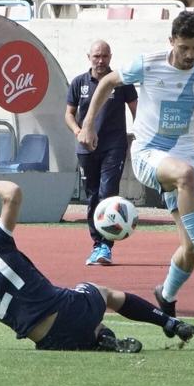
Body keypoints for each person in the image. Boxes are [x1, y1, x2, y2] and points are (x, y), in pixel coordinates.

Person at [76, 10, 194, 319]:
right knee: (186, 176)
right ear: (172, 41)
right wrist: (88, 125)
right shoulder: (148, 63)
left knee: (188, 246)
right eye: (184, 48)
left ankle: (166, 295)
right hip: (148, 153)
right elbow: (108, 82)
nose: (190, 54)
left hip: (184, 153)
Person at [0, 177, 194, 353]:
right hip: (68, 310)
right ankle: (169, 323)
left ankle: (102, 340)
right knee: (103, 292)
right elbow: (14, 194)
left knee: (84, 329)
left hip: (47, 341)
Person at [65, 40, 138, 267]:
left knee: (108, 193)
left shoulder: (121, 81)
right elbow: (69, 114)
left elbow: (137, 110)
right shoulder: (79, 83)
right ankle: (96, 243)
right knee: (93, 196)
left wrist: (141, 137)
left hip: (113, 145)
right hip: (86, 148)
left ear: (110, 57)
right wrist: (78, 132)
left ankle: (105, 246)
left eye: (104, 56)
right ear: (89, 56)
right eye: (96, 56)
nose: (100, 60)